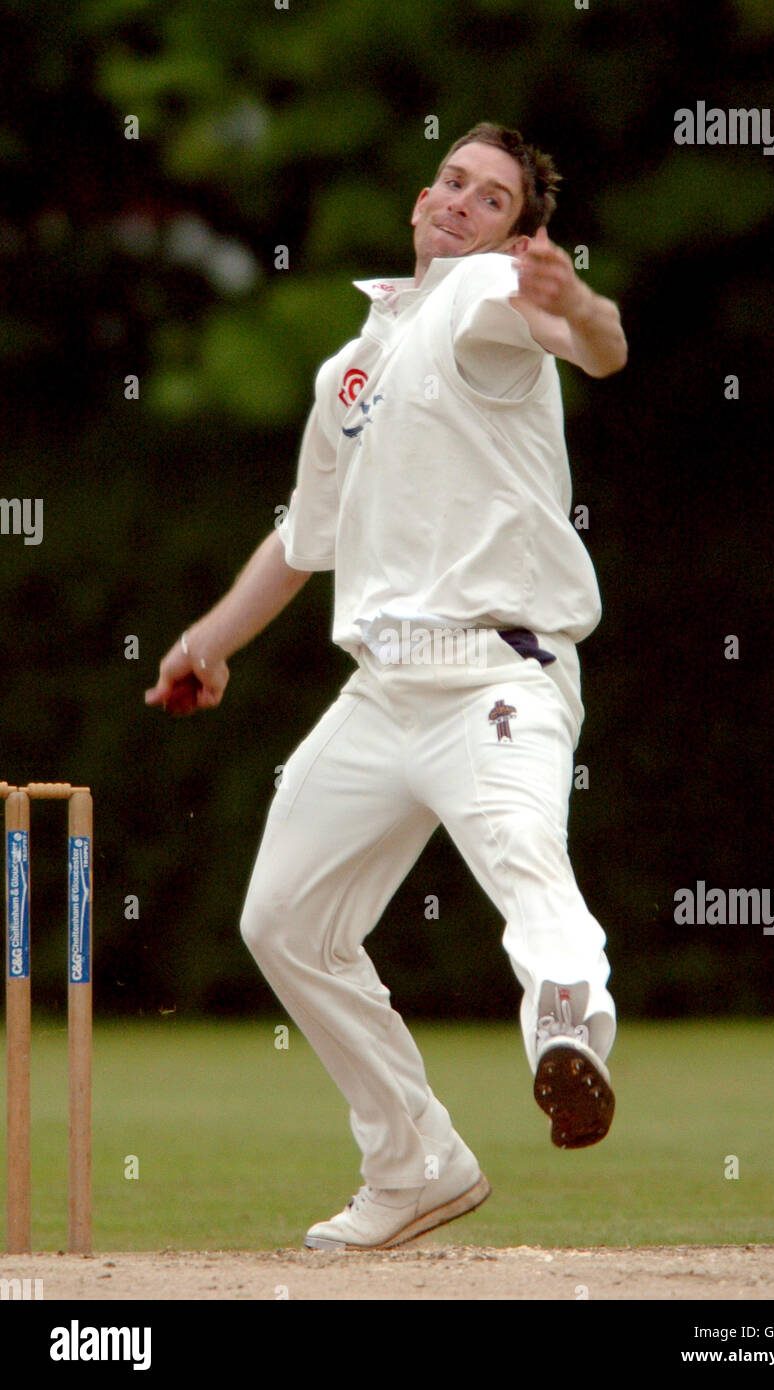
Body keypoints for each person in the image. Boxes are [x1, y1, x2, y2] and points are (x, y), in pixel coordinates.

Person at [146, 122, 627, 1251]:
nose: (463, 202)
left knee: (523, 856)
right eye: (453, 182)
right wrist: (209, 640)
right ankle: (414, 1160)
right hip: (380, 690)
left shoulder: (487, 300)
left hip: (495, 673)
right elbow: (304, 539)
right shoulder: (354, 361)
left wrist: (579, 299)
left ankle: (566, 1033)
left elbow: (595, 346)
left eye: (494, 197)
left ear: (520, 234)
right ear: (421, 195)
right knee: (283, 921)